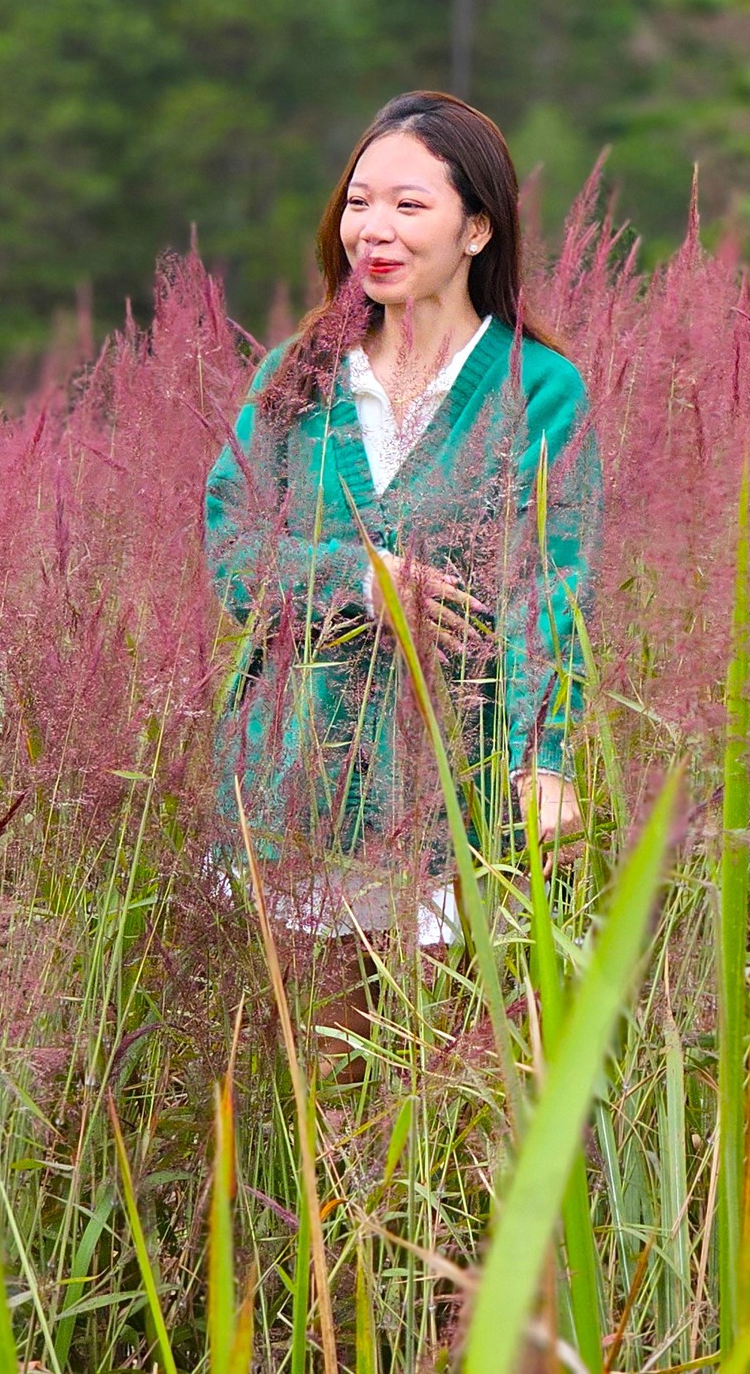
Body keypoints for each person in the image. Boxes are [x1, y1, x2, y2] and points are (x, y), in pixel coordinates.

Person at [204, 90, 597, 959]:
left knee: (438, 1074)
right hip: (286, 793)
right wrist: (361, 582)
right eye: (358, 202)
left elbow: (551, 585)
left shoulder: (538, 389)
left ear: (477, 230)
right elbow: (231, 549)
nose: (372, 230)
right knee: (297, 1076)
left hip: (448, 798)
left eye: (408, 206)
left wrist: (543, 759)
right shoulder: (293, 377)